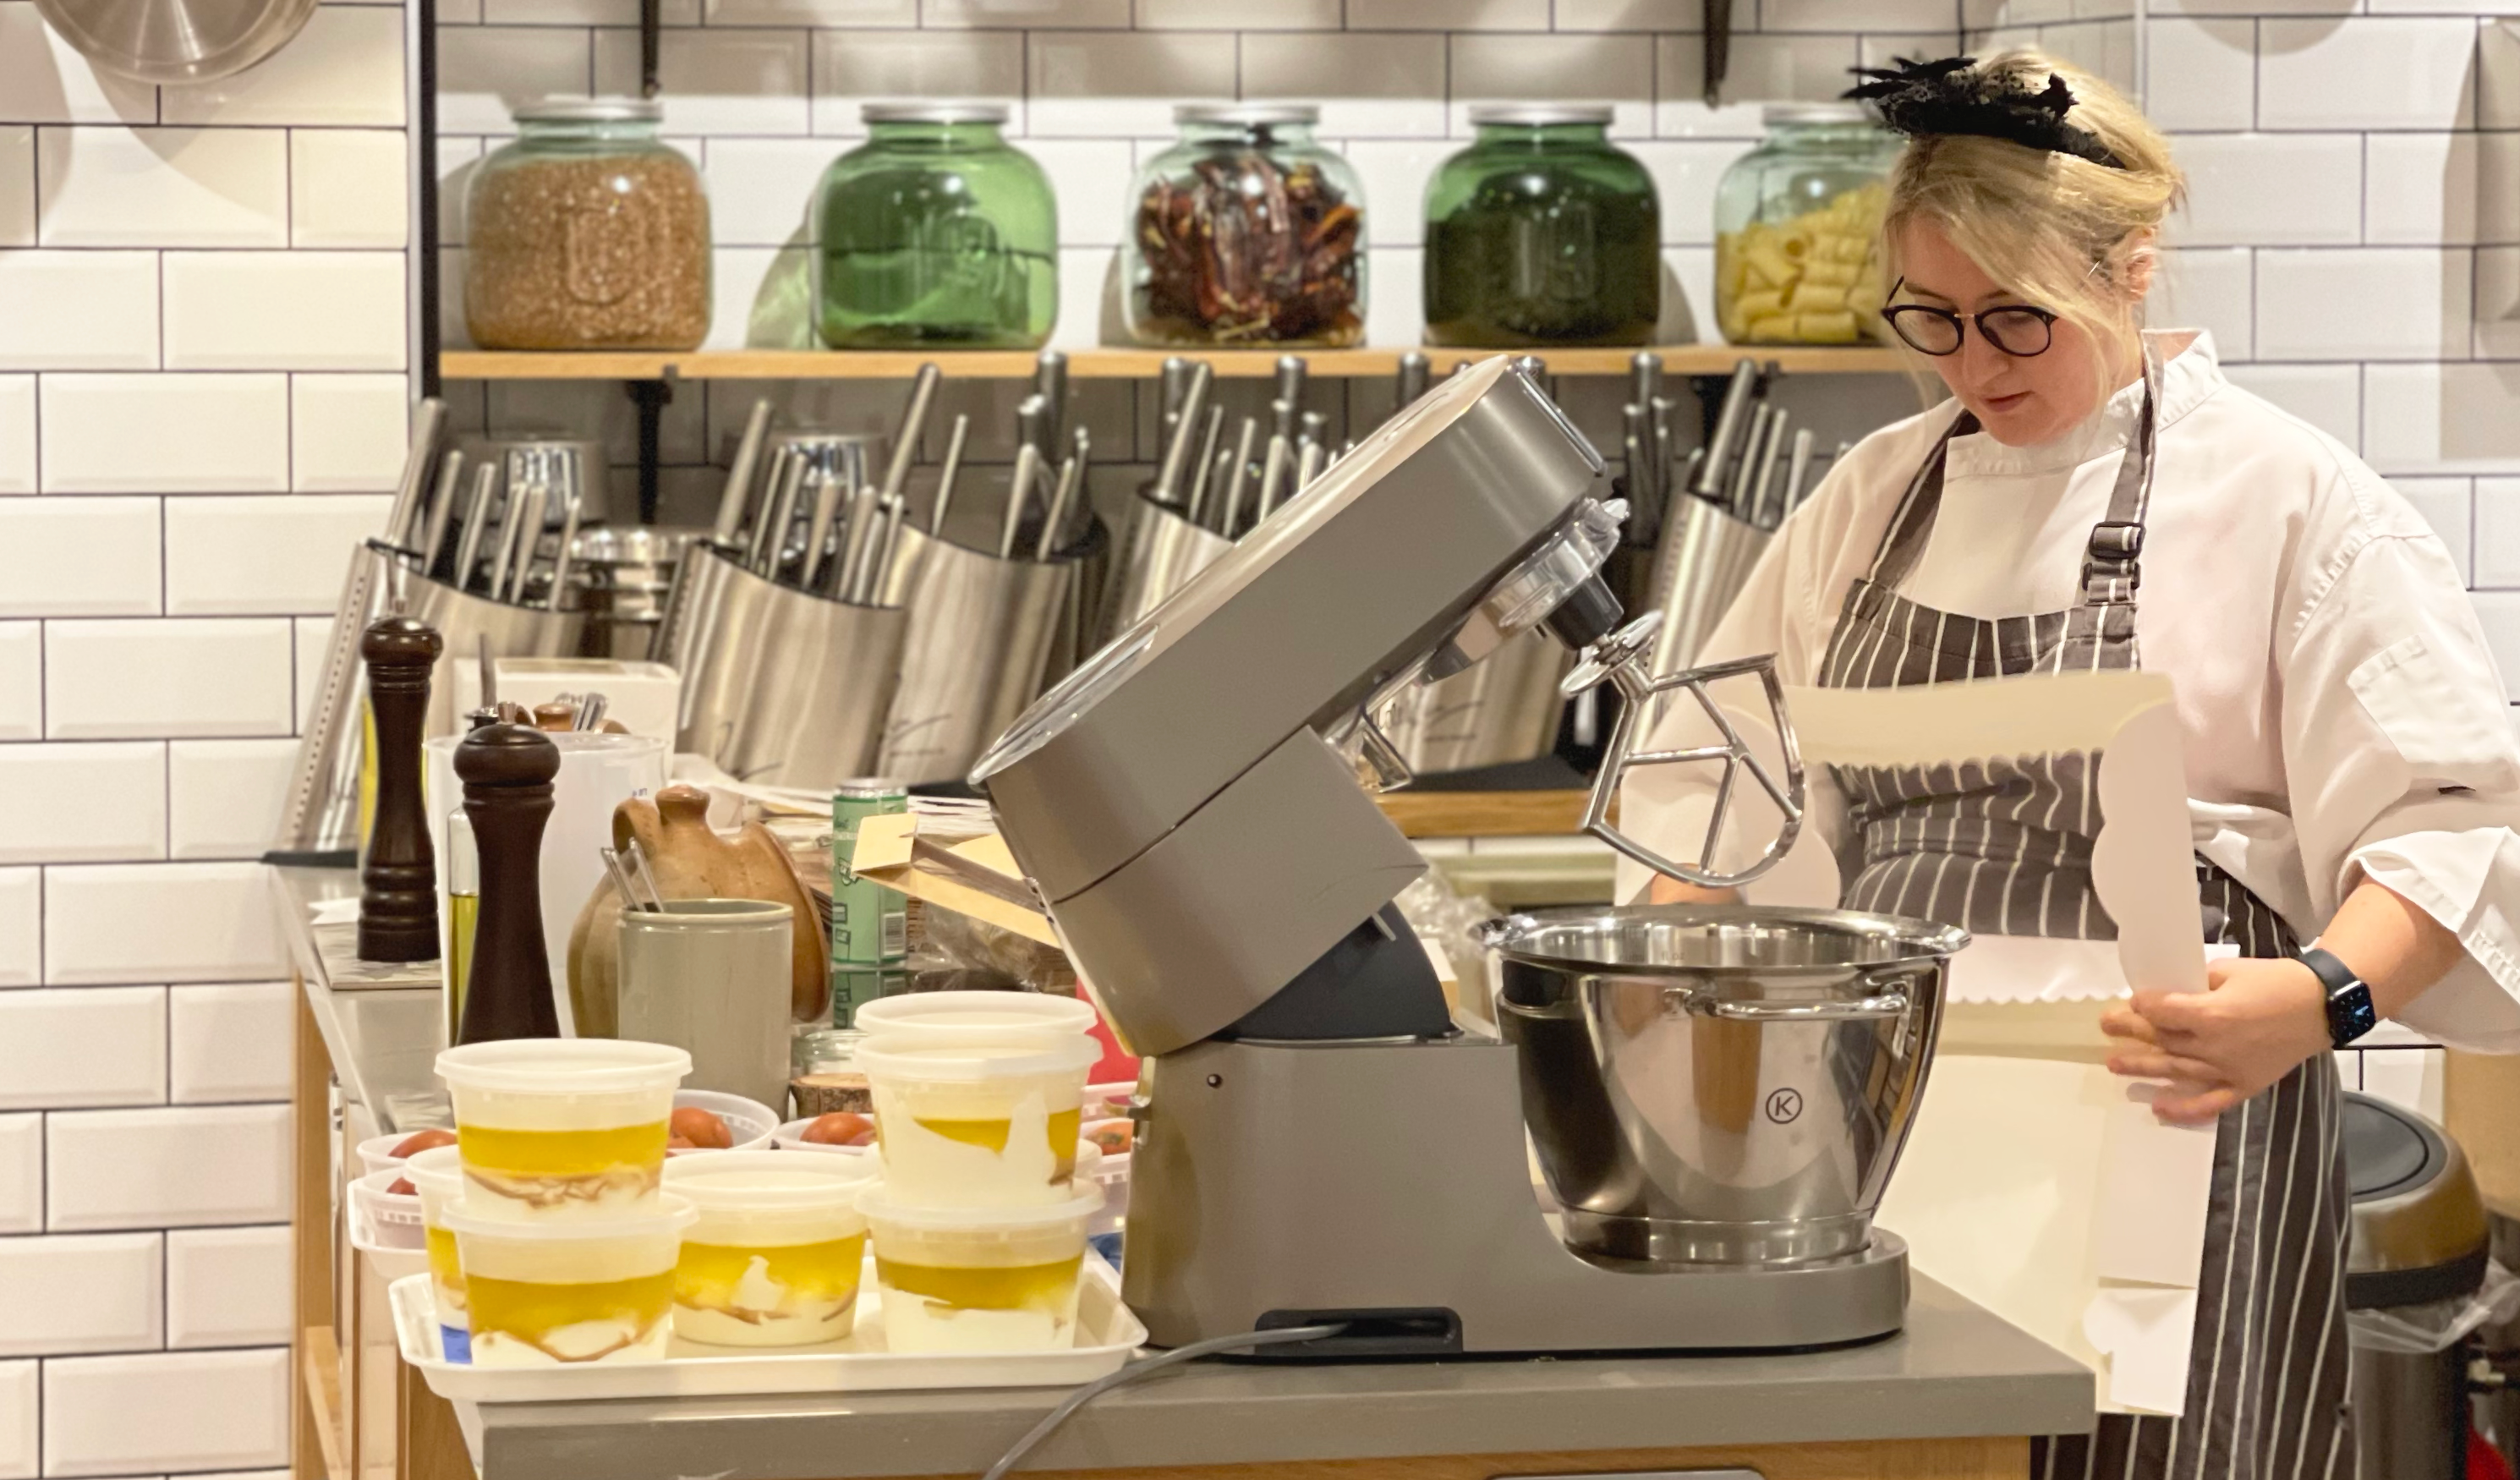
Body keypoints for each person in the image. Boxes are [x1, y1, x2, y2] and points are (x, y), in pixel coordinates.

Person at [1631, 51, 2520, 1477]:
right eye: (1933, 318)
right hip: (1891, 1137)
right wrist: (1679, 1012)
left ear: (2133, 272)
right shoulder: (1872, 500)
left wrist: (2317, 997)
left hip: (2183, 1124)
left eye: (2016, 320)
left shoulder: (2291, 500)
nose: (1974, 367)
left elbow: (2450, 819)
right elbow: (1715, 782)